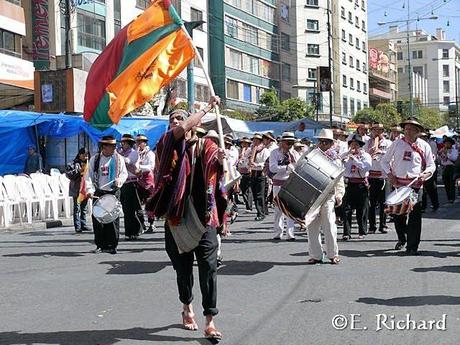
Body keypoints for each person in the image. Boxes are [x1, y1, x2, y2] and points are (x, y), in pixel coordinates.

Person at [146, 96, 226, 341]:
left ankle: (210, 320)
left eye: (181, 118)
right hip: (176, 216)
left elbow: (215, 161)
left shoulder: (205, 145)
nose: (177, 122)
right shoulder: (166, 143)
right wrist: (208, 107)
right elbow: (180, 130)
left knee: (209, 268)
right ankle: (186, 306)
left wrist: (221, 159)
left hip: (204, 218)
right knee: (183, 270)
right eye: (173, 120)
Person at [381, 118, 436, 255]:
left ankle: (412, 246)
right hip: (399, 185)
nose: (407, 131)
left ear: (417, 131)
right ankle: (403, 238)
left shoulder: (424, 146)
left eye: (410, 129)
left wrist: (426, 174)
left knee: (414, 215)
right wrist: (389, 175)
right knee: (398, 215)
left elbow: (431, 165)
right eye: (405, 129)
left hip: (415, 186)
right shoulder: (396, 144)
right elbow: (384, 161)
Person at [306, 129, 344, 264]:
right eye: (320, 141)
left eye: (326, 142)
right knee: (311, 225)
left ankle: (333, 254)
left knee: (329, 224)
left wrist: (339, 194)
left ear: (331, 144)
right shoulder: (311, 155)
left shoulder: (336, 159)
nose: (322, 144)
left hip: (328, 195)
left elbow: (340, 179)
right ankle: (315, 254)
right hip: (312, 195)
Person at [85, 135, 128, 254]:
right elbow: (88, 175)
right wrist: (89, 189)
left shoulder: (119, 159)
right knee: (98, 219)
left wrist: (120, 180)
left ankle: (112, 244)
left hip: (113, 191)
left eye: (115, 146)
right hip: (99, 191)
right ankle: (100, 244)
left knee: (112, 219)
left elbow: (124, 174)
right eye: (111, 146)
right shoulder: (95, 159)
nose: (114, 148)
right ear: (104, 147)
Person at [269, 132, 300, 241]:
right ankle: (277, 232)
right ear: (281, 143)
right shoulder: (274, 153)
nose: (290, 145)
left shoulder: (295, 154)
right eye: (287, 143)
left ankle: (290, 233)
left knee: (290, 209)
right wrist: (286, 168)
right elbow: (272, 168)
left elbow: (299, 166)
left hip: (290, 183)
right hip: (278, 183)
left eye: (291, 143)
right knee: (278, 209)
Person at [341, 134, 372, 240]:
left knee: (362, 209)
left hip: (361, 184)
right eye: (352, 144)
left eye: (356, 145)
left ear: (360, 146)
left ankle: (362, 231)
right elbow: (341, 168)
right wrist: (344, 161)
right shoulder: (345, 155)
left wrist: (355, 160)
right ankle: (346, 233)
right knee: (346, 209)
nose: (354, 147)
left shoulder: (365, 156)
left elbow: (366, 167)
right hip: (348, 183)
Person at [364, 123, 392, 234]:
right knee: (371, 202)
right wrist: (369, 152)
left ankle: (383, 224)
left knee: (384, 202)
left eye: (379, 130)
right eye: (374, 130)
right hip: (371, 175)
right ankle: (372, 225)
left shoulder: (388, 143)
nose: (376, 132)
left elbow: (391, 157)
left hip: (383, 175)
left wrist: (382, 152)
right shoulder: (367, 143)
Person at [118, 134, 143, 241]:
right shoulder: (120, 152)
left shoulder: (133, 153)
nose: (122, 145)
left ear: (129, 143)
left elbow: (127, 161)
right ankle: (130, 232)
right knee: (126, 209)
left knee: (131, 208)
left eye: (124, 143)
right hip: (123, 183)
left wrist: (117, 155)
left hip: (131, 183)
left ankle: (135, 230)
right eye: (122, 143)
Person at [65, 148, 90, 233]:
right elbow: (68, 174)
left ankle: (83, 224)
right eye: (84, 155)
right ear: (79, 154)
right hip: (77, 189)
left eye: (87, 155)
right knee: (77, 208)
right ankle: (77, 226)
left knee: (84, 208)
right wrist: (78, 171)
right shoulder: (73, 163)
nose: (85, 157)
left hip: (85, 188)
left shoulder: (89, 163)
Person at [136, 134, 156, 233]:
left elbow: (151, 166)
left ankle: (151, 223)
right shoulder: (136, 153)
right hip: (138, 181)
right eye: (137, 142)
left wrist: (139, 167)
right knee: (138, 204)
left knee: (149, 203)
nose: (139, 144)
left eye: (141, 142)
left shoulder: (150, 153)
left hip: (148, 181)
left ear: (145, 143)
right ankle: (141, 223)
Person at [249, 133, 269, 221]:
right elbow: (247, 160)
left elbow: (265, 163)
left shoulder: (265, 151)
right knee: (254, 194)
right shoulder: (252, 150)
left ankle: (260, 213)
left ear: (260, 141)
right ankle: (261, 211)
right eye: (254, 140)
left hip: (261, 174)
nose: (254, 142)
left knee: (260, 195)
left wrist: (256, 164)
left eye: (256, 140)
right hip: (252, 173)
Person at [420, 132, 439, 211]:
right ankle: (422, 206)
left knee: (431, 188)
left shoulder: (431, 144)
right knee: (422, 189)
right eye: (421, 137)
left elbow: (433, 156)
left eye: (424, 137)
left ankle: (435, 204)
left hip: (429, 167)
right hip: (420, 169)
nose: (423, 138)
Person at [439, 136, 458, 203]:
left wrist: (447, 153)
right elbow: (441, 159)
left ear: (451, 144)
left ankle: (452, 198)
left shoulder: (454, 150)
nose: (446, 145)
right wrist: (440, 153)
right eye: (445, 143)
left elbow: (454, 159)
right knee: (446, 183)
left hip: (451, 167)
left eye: (448, 143)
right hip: (445, 168)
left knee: (451, 183)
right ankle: (449, 197)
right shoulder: (442, 150)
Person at [237, 137, 253, 211]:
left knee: (248, 188)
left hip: (247, 170)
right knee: (243, 189)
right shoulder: (239, 150)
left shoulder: (250, 150)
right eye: (243, 143)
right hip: (241, 170)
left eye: (245, 143)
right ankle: (247, 202)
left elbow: (249, 160)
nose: (244, 144)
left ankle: (249, 205)